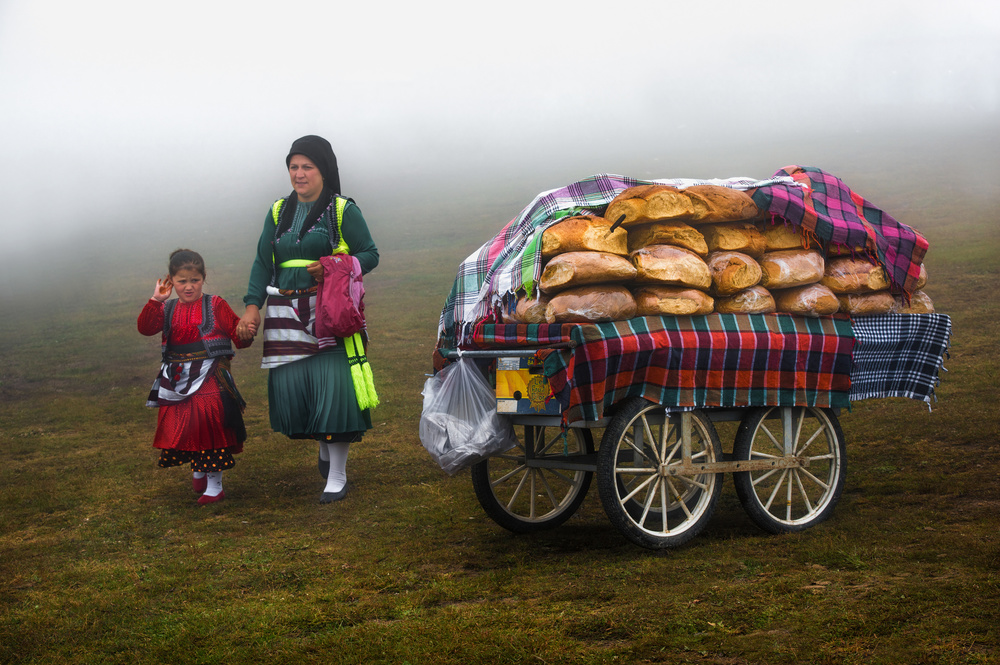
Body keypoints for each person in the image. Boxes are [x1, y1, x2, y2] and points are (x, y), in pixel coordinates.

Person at [237, 135, 379, 504]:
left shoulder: (343, 210)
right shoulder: (276, 212)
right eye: (293, 167)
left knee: (334, 386)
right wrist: (253, 305)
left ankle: (337, 473)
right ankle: (323, 442)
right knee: (301, 388)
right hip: (284, 310)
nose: (299, 175)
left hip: (330, 311)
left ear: (324, 170)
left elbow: (370, 254)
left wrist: (335, 265)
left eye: (307, 167)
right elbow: (261, 262)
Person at [138, 249, 252, 505]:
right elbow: (145, 328)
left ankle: (215, 486)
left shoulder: (216, 305)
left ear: (204, 278)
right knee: (184, 426)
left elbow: (239, 338)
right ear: (171, 280)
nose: (189, 287)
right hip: (176, 378)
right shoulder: (167, 309)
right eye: (182, 281)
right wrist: (156, 300)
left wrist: (246, 332)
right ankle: (198, 468)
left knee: (209, 425)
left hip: (210, 377)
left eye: (195, 281)